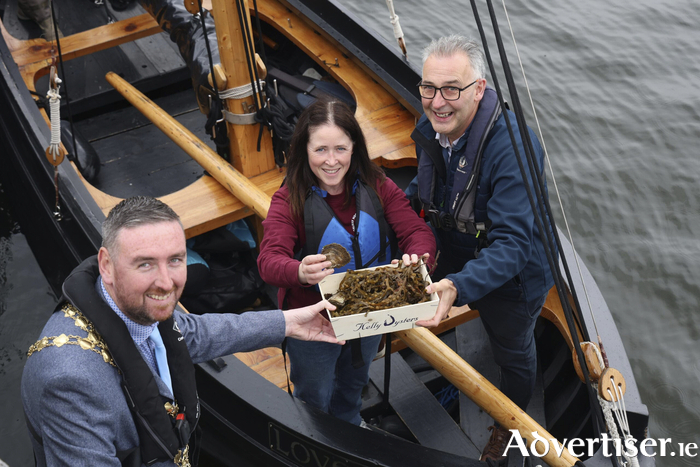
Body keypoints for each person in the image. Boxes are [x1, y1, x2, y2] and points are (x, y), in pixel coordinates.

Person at [21, 196, 343, 467]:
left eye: (175, 260)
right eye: (145, 264)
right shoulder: (70, 380)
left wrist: (288, 323)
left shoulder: (138, 306)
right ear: (106, 265)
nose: (166, 282)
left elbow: (196, 333)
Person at [408, 35, 556, 464]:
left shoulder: (514, 147)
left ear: (479, 89)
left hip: (513, 276)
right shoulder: (436, 131)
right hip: (453, 248)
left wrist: (457, 285)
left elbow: (512, 247)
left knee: (514, 352)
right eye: (429, 88)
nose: (438, 102)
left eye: (451, 88)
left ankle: (510, 424)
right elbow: (424, 191)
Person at [257, 98, 436, 427]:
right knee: (315, 393)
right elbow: (268, 261)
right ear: (304, 150)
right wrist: (298, 270)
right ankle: (315, 436)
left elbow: (416, 231)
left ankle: (351, 422)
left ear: (354, 147)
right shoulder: (288, 199)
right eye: (320, 150)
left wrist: (419, 257)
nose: (331, 161)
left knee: (355, 382)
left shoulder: (377, 184)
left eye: (340, 148)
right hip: (316, 323)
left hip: (370, 310)